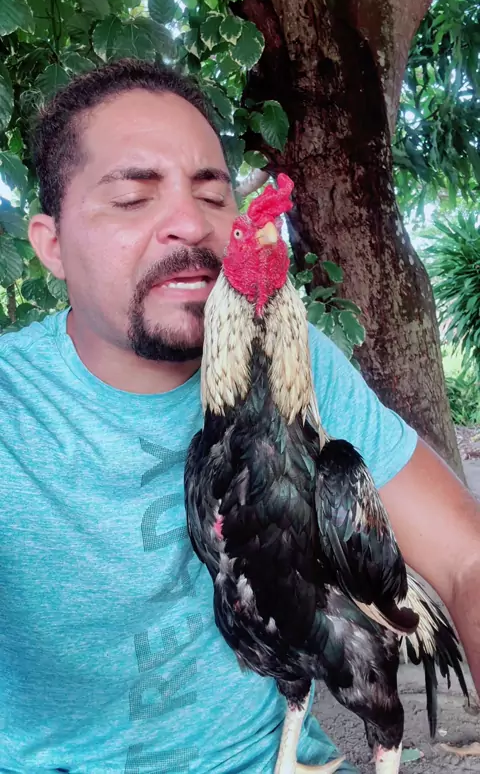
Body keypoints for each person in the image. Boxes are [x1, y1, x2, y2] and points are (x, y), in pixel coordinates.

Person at [0, 58, 478, 774]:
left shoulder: (299, 367)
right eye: (132, 198)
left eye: (212, 193)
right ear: (52, 246)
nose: (190, 223)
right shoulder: (13, 406)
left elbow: (467, 557)